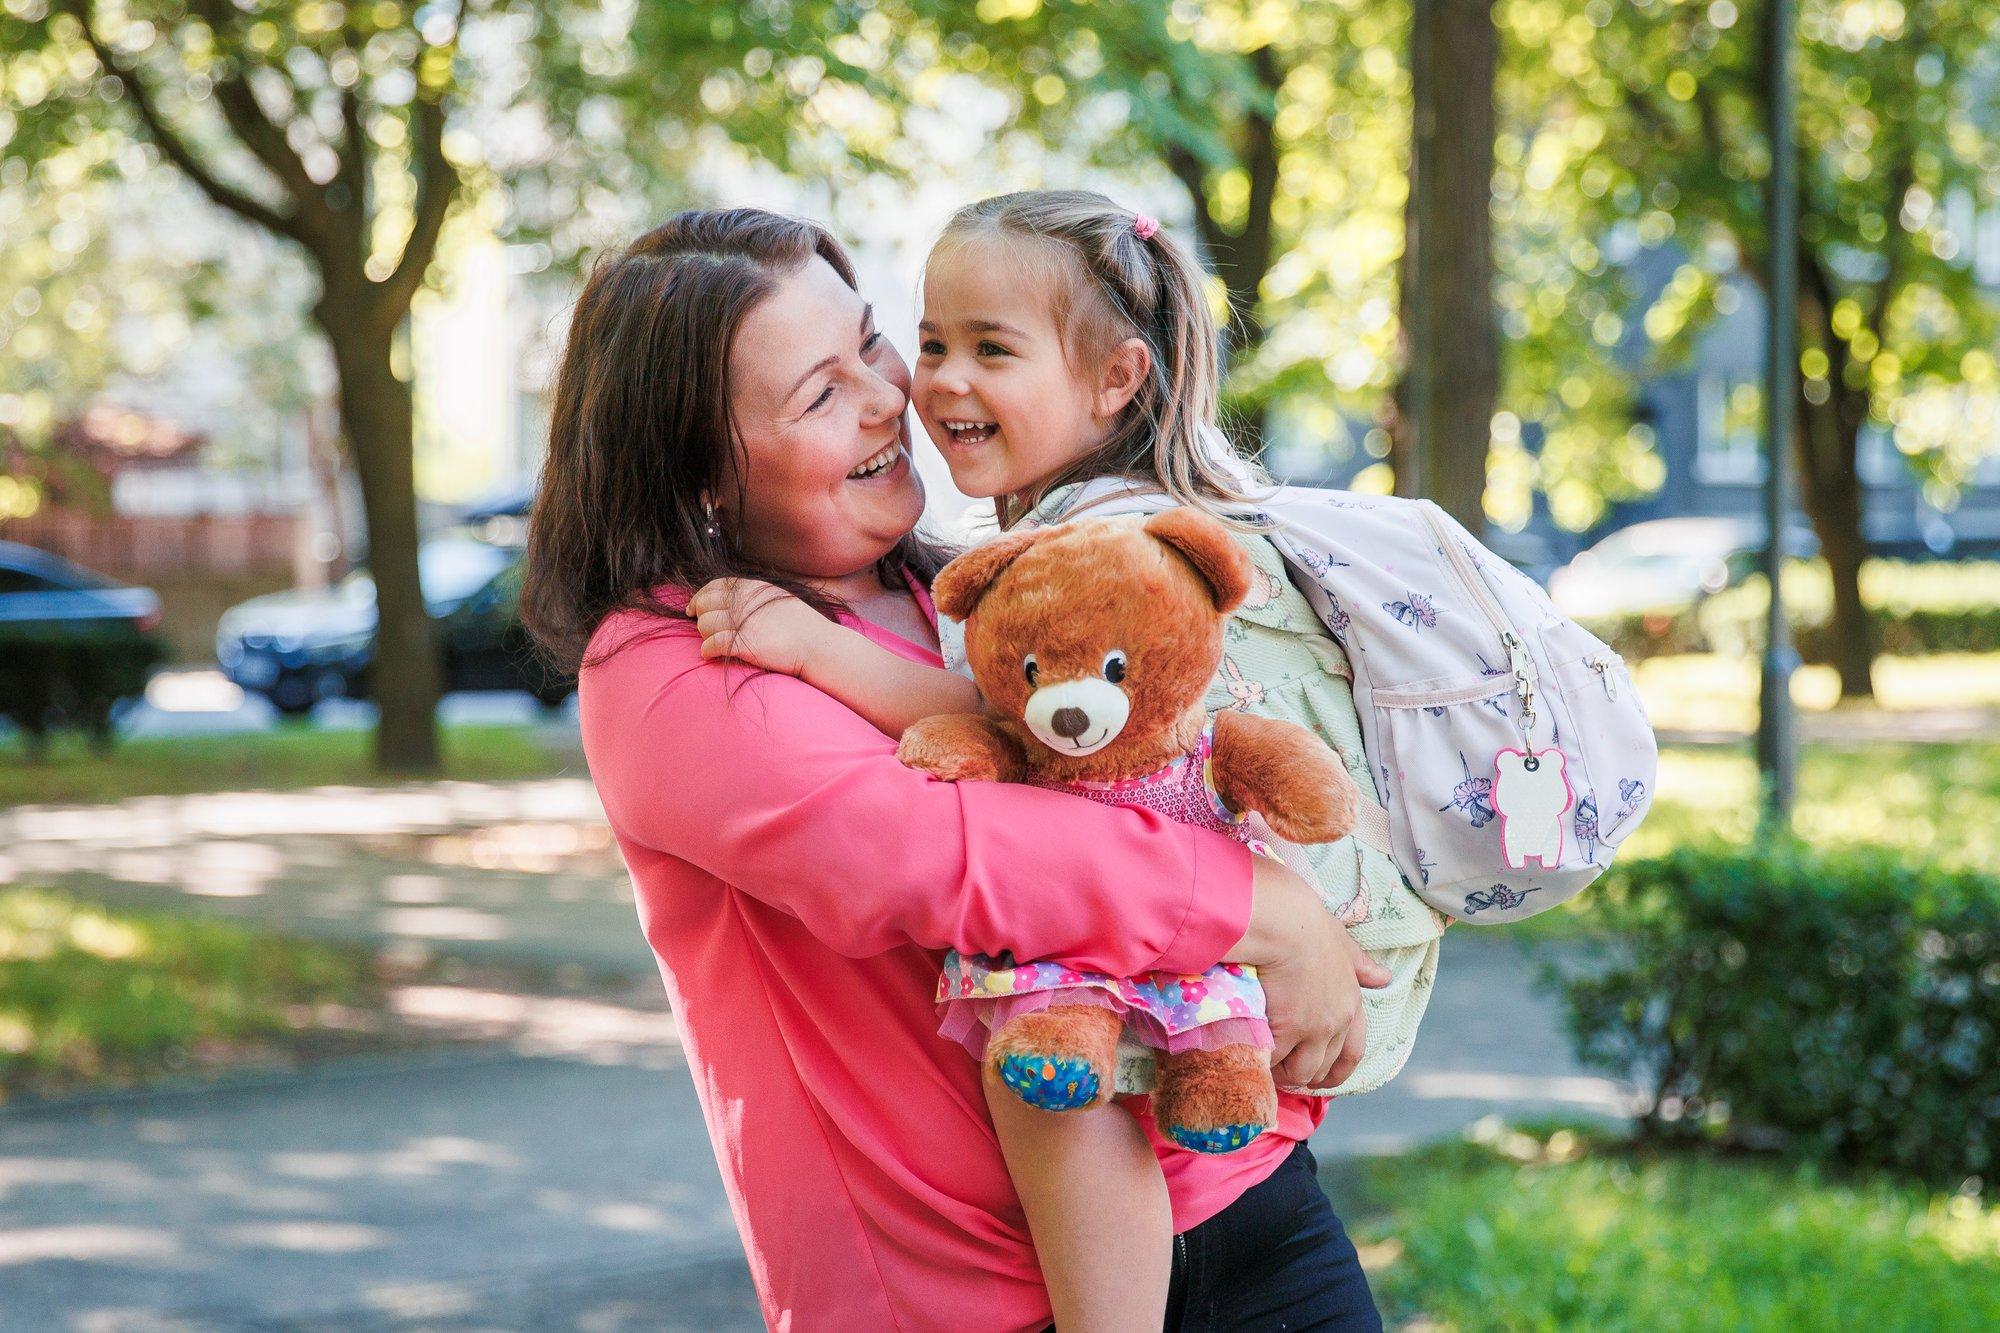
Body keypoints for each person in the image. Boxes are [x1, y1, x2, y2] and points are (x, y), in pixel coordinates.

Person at [520, 206, 1388, 1332]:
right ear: (702, 478)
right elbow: (930, 855)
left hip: (1249, 1214)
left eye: (872, 343)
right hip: (974, 1298)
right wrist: (1261, 910)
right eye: (819, 394)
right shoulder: (669, 665)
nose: (889, 396)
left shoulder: (969, 591)